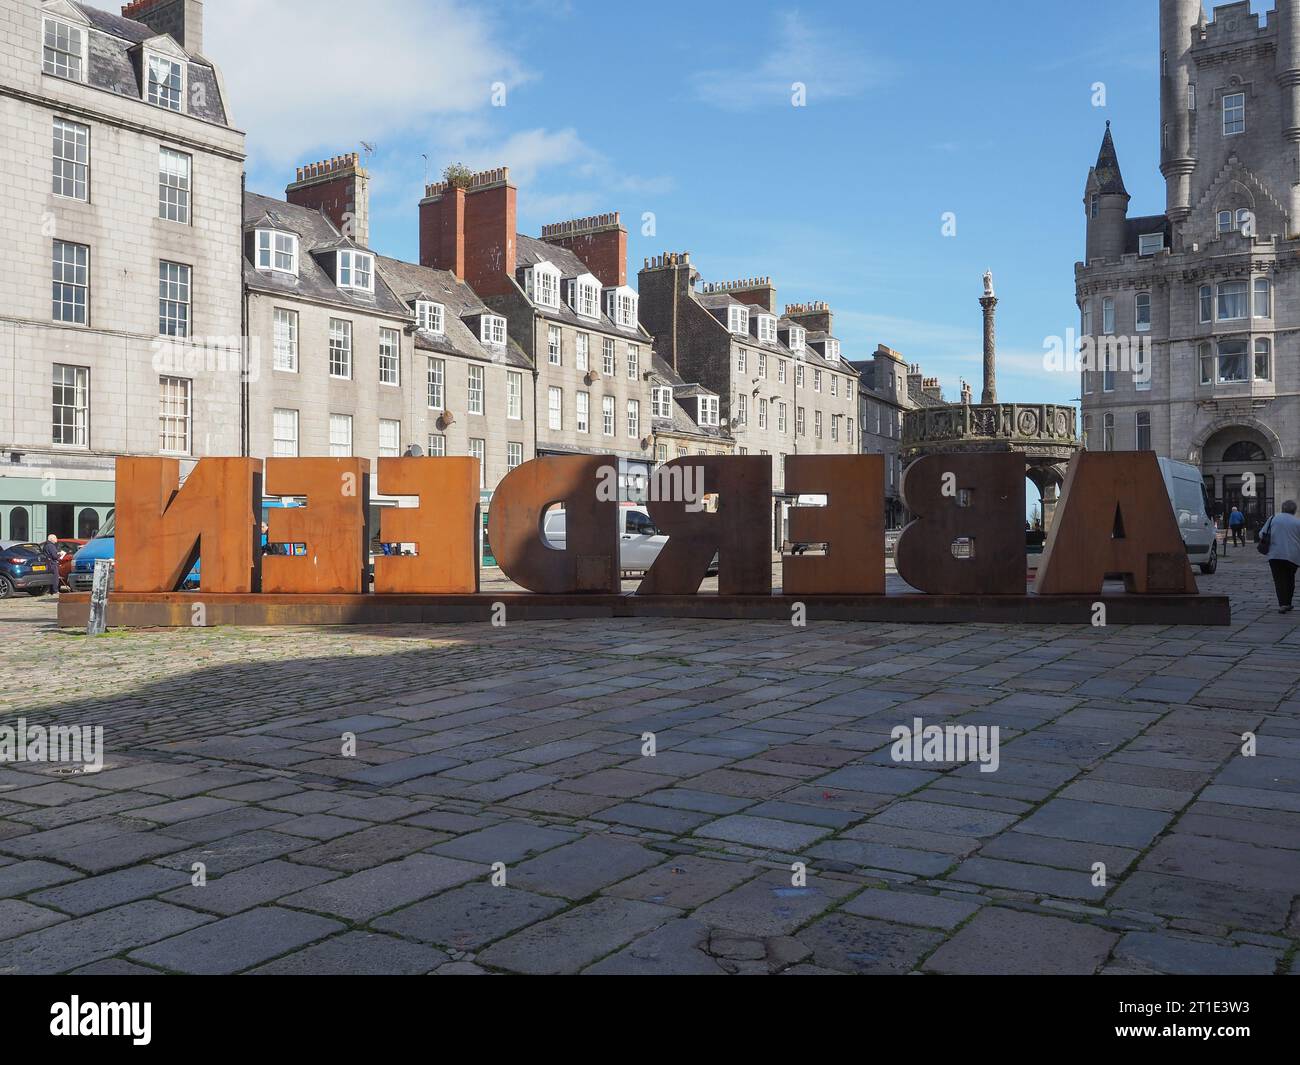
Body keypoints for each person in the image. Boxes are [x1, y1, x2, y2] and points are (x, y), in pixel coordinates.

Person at [1262, 500, 1300, 614]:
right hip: (1293, 556)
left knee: (1279, 580)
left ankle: (1282, 604)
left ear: (1282, 508)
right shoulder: (1297, 522)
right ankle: (1287, 603)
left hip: (1275, 554)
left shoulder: (1273, 519)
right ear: (1294, 510)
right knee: (1290, 578)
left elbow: (1262, 534)